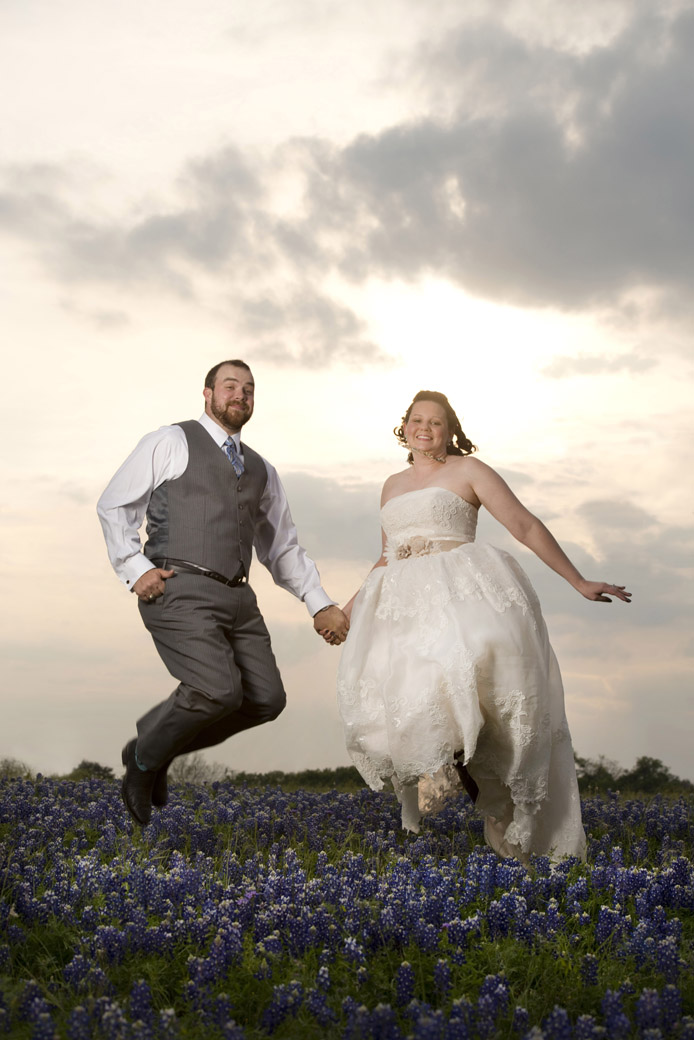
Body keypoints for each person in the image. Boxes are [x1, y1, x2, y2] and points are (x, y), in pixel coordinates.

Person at [328, 391, 631, 862]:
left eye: (437, 421)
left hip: (464, 596)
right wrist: (346, 612)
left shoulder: (470, 471)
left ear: (451, 430)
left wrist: (577, 580)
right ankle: (477, 800)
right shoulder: (390, 485)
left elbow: (525, 526)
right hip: (405, 613)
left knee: (482, 717)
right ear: (403, 426)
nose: (425, 427)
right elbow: (386, 557)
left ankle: (512, 822)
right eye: (417, 419)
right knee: (423, 718)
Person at [97, 359, 348, 826]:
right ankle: (145, 762)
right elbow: (114, 502)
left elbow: (283, 547)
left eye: (249, 388)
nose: (241, 394)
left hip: (239, 597)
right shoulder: (171, 440)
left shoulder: (262, 469)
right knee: (215, 691)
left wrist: (319, 603)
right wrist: (135, 568)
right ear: (208, 393)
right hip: (178, 587)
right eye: (230, 385)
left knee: (265, 700)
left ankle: (152, 744)